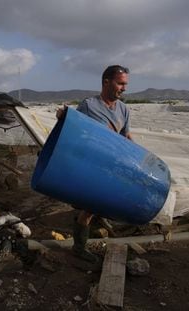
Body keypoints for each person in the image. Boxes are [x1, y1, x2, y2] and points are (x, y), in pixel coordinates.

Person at [56, 65, 133, 263]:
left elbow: (126, 136)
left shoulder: (123, 109)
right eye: (120, 83)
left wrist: (139, 157)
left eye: (125, 84)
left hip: (113, 165)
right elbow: (72, 130)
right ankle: (79, 247)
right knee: (89, 207)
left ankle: (98, 219)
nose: (124, 88)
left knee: (107, 199)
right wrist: (63, 117)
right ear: (106, 82)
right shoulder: (89, 106)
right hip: (93, 165)